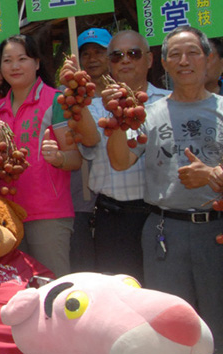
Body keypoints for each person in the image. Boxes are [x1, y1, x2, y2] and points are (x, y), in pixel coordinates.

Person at [106, 25, 223, 354]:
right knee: (171, 325)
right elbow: (120, 160)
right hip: (164, 231)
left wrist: (212, 173)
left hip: (215, 231)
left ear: (208, 59)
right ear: (165, 64)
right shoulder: (149, 114)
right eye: (175, 55)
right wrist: (116, 122)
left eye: (193, 53)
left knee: (218, 320)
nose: (184, 61)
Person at [68, 30, 170, 280]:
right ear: (110, 64)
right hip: (111, 218)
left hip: (158, 216)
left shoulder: (167, 103)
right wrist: (74, 97)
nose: (125, 60)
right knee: (122, 298)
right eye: (117, 56)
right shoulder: (92, 106)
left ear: (149, 60)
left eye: (133, 54)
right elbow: (89, 144)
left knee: (163, 292)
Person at [0, 34, 82, 277]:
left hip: (48, 215)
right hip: (8, 216)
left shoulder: (56, 101)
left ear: (37, 63)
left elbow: (76, 158)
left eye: (22, 58)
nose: (15, 66)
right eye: (7, 60)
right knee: (18, 292)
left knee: (54, 288)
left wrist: (59, 158)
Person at [68, 27, 111, 273]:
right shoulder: (70, 102)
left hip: (117, 207)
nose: (92, 58)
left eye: (99, 52)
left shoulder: (126, 99)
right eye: (86, 54)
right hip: (81, 205)